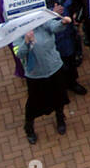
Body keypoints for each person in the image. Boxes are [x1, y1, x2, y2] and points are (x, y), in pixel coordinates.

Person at [15, 13, 74, 143]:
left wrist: (63, 23)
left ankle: (60, 117)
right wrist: (26, 42)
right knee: (34, 102)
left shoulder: (43, 21)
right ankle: (29, 127)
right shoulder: (18, 32)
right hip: (35, 74)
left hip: (54, 67)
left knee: (59, 95)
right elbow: (19, 54)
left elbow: (55, 26)